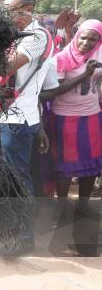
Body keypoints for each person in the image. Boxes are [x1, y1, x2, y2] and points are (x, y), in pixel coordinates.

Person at [0, 0, 53, 255]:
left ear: (27, 9)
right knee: (1, 176)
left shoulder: (37, 36)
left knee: (17, 179)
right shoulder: (13, 35)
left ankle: (24, 237)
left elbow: (6, 68)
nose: (6, 16)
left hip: (16, 120)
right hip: (0, 114)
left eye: (11, 10)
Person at [41, 20, 102, 227]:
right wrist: (84, 75)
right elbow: (54, 91)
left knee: (92, 165)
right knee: (65, 167)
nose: (86, 42)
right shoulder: (60, 59)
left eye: (92, 39)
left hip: (92, 116)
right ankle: (61, 209)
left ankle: (83, 205)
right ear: (76, 36)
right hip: (65, 118)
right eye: (83, 37)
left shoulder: (100, 54)